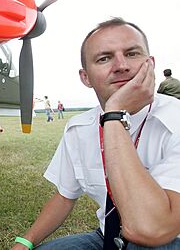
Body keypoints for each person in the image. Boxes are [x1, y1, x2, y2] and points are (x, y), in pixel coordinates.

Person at [12, 18, 180, 250]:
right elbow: (64, 197)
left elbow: (152, 230)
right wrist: (24, 243)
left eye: (132, 54)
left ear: (150, 64)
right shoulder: (79, 128)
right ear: (86, 77)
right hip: (108, 237)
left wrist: (114, 116)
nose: (121, 65)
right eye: (104, 58)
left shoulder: (176, 119)